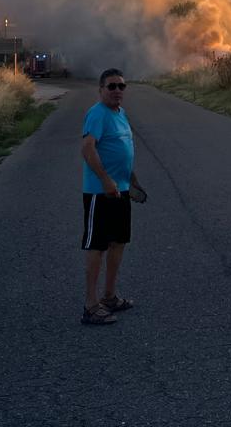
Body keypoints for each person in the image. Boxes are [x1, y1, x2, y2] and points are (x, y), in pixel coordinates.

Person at [80, 67, 144, 325]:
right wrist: (106, 180)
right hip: (100, 192)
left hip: (121, 190)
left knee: (119, 242)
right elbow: (87, 148)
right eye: (112, 86)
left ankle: (109, 297)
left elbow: (124, 151)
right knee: (98, 246)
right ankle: (90, 305)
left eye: (121, 86)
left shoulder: (121, 113)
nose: (117, 90)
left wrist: (134, 181)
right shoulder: (97, 114)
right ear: (101, 89)